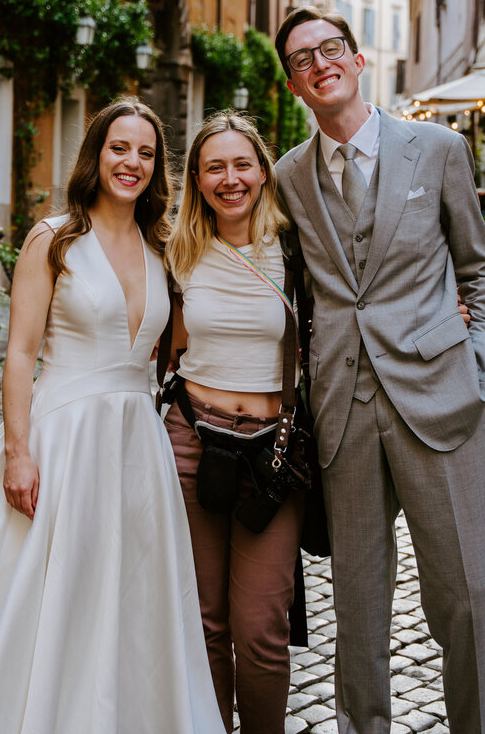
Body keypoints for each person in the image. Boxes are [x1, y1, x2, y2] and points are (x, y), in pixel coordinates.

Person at [0, 98, 226, 734]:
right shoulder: (53, 237)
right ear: (96, 155)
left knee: (127, 600)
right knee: (39, 598)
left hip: (137, 448)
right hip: (63, 441)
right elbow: (21, 354)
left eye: (144, 152)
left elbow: (190, 341)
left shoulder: (164, 246)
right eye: (118, 148)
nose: (130, 162)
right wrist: (18, 453)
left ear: (157, 167)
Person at [272, 6, 485, 734]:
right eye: (302, 60)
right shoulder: (287, 177)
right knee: (358, 612)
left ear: (358, 58)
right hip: (344, 410)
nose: (319, 64)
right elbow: (297, 294)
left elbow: (483, 277)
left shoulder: (436, 149)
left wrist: (475, 371)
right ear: (293, 86)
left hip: (440, 398)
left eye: (330, 48)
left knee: (467, 593)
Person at [161, 111, 303, 734]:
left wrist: (445, 306)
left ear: (263, 171)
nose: (230, 178)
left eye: (241, 163)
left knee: (262, 631)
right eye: (214, 167)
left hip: (272, 455)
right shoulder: (177, 251)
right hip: (190, 441)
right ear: (196, 178)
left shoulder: (298, 248)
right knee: (205, 622)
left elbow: (370, 290)